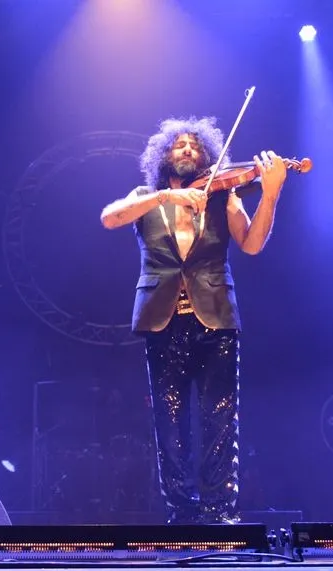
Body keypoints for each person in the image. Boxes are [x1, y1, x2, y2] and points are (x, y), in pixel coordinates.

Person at [99, 116, 289, 524]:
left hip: (216, 317)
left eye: (195, 145)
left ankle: (219, 512)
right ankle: (181, 513)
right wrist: (166, 197)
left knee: (220, 415)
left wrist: (270, 195)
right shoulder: (146, 197)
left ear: (206, 156)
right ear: (164, 155)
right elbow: (110, 217)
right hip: (162, 320)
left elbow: (252, 244)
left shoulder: (224, 196)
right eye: (179, 144)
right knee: (169, 421)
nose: (187, 149)